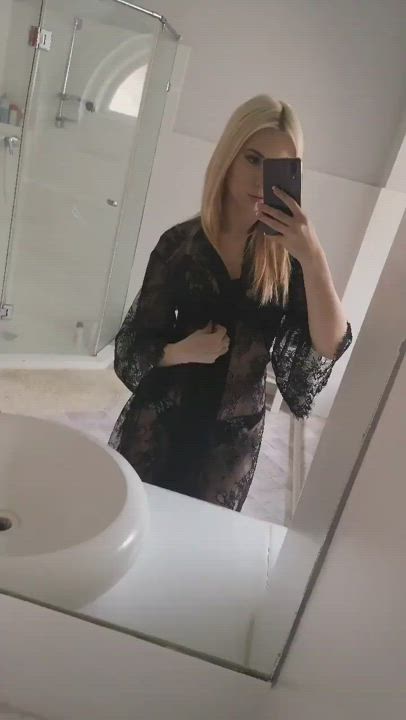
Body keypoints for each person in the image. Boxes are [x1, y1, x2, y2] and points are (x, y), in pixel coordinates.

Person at [108, 94, 352, 511]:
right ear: (228, 156)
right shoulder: (180, 244)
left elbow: (329, 346)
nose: (261, 179)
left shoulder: (290, 259)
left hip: (232, 438)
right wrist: (180, 351)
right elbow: (133, 347)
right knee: (132, 522)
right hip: (162, 417)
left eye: (277, 167)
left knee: (198, 543)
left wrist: (314, 257)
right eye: (252, 159)